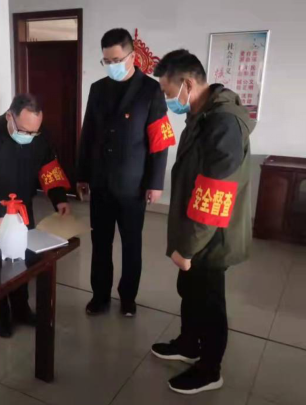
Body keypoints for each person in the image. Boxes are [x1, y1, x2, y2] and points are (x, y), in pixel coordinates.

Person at [150, 49, 255, 394]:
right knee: (190, 291)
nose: (167, 100)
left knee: (209, 301)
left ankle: (210, 369)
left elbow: (215, 193)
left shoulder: (223, 123)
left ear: (187, 84)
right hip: (195, 229)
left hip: (211, 236)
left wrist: (188, 248)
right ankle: (189, 344)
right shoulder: (202, 114)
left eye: (167, 92)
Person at [77, 28, 175, 317]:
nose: (112, 66)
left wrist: (155, 182)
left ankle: (128, 297)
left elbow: (160, 141)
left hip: (133, 185)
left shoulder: (150, 90)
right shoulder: (97, 89)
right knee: (100, 244)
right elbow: (88, 134)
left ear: (132, 56)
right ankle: (100, 296)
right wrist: (82, 175)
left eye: (116, 60)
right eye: (106, 61)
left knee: (132, 245)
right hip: (101, 183)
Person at [0, 93, 71, 338]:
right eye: (25, 131)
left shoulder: (39, 134)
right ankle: (0, 315)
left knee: (22, 261)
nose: (29, 136)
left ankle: (21, 309)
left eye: (34, 132)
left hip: (22, 209)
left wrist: (59, 198)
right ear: (9, 117)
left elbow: (48, 167)